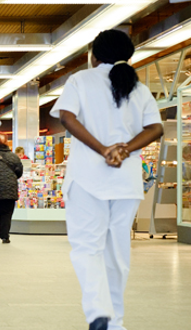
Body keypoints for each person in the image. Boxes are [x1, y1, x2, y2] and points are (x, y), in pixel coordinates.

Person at [50, 30, 163, 330]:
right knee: (117, 252)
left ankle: (99, 312)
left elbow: (66, 117)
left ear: (93, 54)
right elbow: (155, 128)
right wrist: (125, 148)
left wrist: (103, 149)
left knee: (87, 247)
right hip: (126, 181)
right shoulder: (138, 88)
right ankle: (116, 322)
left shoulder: (81, 80)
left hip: (88, 178)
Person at [0, 134, 23, 244]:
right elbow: (19, 172)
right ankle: (4, 236)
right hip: (9, 188)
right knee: (6, 213)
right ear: (7, 142)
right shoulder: (14, 156)